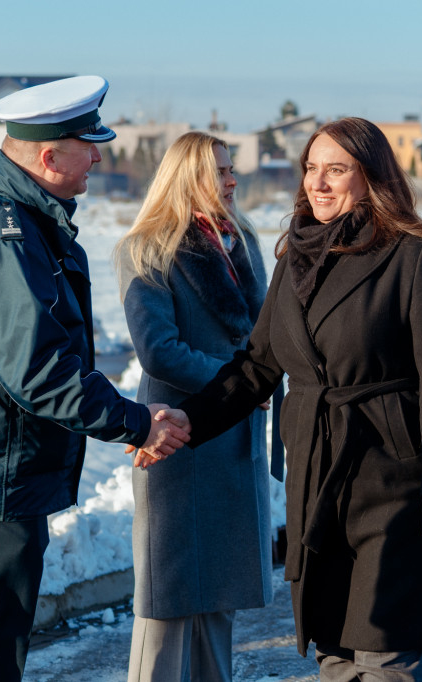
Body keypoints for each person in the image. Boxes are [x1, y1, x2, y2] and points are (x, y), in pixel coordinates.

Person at [175, 117, 422, 682]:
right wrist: (183, 424)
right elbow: (258, 364)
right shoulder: (297, 258)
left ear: (372, 176)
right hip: (317, 481)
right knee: (335, 652)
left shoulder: (416, 256)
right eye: (312, 169)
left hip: (394, 482)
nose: (319, 183)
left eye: (336, 169)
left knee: (390, 653)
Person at [0, 75, 191, 682]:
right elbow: (39, 370)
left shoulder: (20, 219)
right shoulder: (8, 235)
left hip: (1, 469)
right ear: (48, 156)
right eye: (88, 143)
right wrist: (134, 422)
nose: (99, 155)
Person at [114, 132, 273, 681]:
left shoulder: (242, 242)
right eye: (220, 172)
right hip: (176, 438)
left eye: (232, 170)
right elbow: (159, 352)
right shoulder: (147, 248)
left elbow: (265, 340)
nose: (232, 181)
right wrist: (241, 386)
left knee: (219, 600)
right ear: (187, 177)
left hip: (232, 440)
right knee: (169, 599)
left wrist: (252, 385)